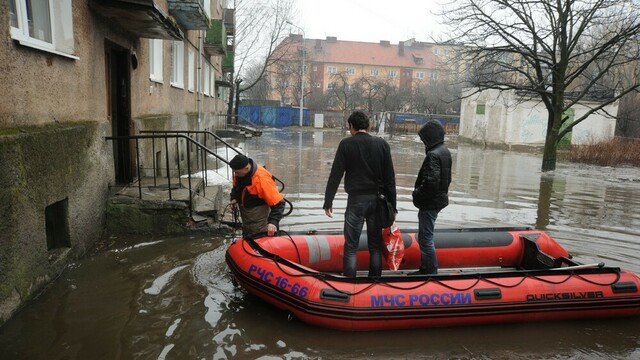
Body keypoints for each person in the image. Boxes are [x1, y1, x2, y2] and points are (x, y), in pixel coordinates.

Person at [323, 111, 396, 278]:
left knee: (351, 247)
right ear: (367, 126)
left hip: (356, 201)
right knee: (375, 246)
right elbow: (390, 179)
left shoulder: (346, 145)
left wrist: (328, 202)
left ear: (351, 127)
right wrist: (393, 205)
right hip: (377, 201)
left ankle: (350, 285)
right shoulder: (382, 144)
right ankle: (374, 282)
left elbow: (335, 175)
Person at [410, 120, 452, 275]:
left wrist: (417, 194)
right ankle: (425, 268)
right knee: (425, 237)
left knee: (425, 238)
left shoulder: (433, 155)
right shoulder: (444, 151)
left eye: (424, 139)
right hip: (439, 200)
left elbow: (430, 182)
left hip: (430, 203)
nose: (423, 143)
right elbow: (447, 180)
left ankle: (431, 271)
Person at [229, 154, 286, 238]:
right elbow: (236, 187)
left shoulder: (262, 180)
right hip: (247, 219)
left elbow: (279, 203)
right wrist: (234, 198)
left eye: (237, 172)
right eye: (234, 172)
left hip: (260, 221)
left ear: (246, 168)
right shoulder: (240, 173)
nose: (235, 175)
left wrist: (273, 222)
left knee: (260, 243)